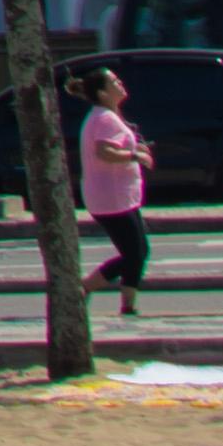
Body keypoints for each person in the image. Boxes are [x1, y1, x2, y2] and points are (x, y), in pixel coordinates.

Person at [73, 69, 155, 311]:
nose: (120, 83)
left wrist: (135, 147)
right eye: (114, 82)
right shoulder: (105, 118)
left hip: (117, 196)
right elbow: (104, 152)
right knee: (134, 254)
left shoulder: (106, 115)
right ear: (102, 93)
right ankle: (86, 287)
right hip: (111, 198)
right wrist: (135, 155)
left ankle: (127, 305)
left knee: (138, 251)